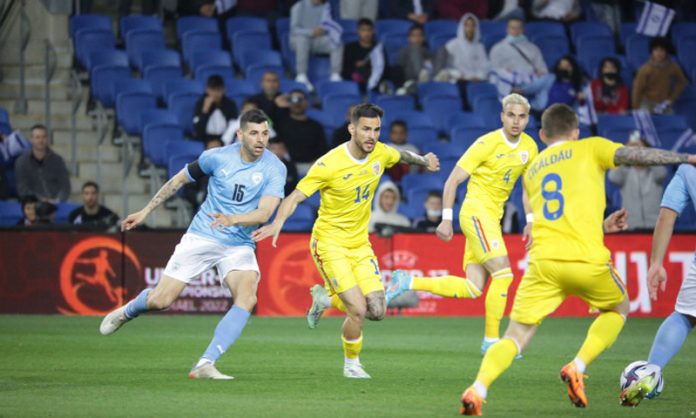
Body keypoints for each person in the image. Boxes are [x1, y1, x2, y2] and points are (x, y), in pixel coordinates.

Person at [458, 103, 696, 416]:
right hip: (586, 260)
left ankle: (478, 389)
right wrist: (685, 158)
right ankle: (578, 365)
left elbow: (557, 217)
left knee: (515, 336)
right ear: (576, 132)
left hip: (543, 264)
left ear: (543, 135)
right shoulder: (591, 147)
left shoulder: (533, 170)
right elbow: (636, 156)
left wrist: (602, 225)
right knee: (619, 308)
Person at [253, 103, 439, 378]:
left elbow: (402, 155)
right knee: (358, 310)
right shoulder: (329, 164)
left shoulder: (380, 152)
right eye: (365, 129)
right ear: (352, 128)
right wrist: (277, 221)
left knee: (377, 311)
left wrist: (423, 160)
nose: (371, 135)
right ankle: (352, 364)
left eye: (376, 129)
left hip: (360, 244)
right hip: (329, 243)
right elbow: (295, 197)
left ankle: (325, 299)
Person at [99, 109, 287, 380]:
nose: (260, 139)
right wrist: (146, 211)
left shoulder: (275, 167)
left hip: (239, 243)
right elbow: (178, 180)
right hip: (202, 236)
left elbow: (264, 213)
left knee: (247, 298)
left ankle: (205, 363)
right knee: (161, 300)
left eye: (265, 133)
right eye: (254, 133)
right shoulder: (216, 157)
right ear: (240, 134)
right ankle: (129, 310)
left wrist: (232, 219)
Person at [385, 93, 538, 355]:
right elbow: (452, 180)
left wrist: (531, 221)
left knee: (473, 287)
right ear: (502, 116)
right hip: (475, 213)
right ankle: (491, 341)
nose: (516, 121)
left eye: (522, 116)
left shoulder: (530, 147)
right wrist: (446, 219)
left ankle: (408, 282)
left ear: (527, 119)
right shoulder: (486, 143)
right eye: (511, 115)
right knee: (504, 275)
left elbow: (528, 189)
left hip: (493, 219)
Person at [620, 164, 696, 406]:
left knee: (685, 316)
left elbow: (666, 216)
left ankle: (649, 373)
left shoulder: (688, 169)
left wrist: (656, 263)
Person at [490, 18, 553, 112]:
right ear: (507, 29)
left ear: (523, 29)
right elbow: (494, 70)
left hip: (529, 81)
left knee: (551, 77)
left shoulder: (532, 48)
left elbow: (542, 67)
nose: (516, 31)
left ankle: (536, 106)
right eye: (513, 28)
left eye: (518, 28)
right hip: (511, 81)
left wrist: (541, 72)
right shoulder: (498, 48)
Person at [608, 133, 667, 231]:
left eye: (640, 149)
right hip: (631, 228)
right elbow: (612, 176)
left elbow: (662, 173)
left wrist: (646, 151)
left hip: (655, 227)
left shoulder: (655, 173)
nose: (637, 152)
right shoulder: (625, 174)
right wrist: (624, 151)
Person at [290, 0, 344, 90]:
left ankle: (335, 75)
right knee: (302, 40)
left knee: (337, 41)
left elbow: (327, 24)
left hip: (317, 39)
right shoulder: (298, 6)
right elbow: (294, 30)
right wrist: (311, 32)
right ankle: (301, 75)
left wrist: (324, 30)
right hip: (298, 39)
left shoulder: (325, 7)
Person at [14, 124, 70, 203]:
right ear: (31, 140)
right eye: (37, 137)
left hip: (56, 203)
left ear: (47, 139)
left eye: (44, 137)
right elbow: (22, 189)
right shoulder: (21, 162)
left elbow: (65, 186)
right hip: (33, 204)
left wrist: (58, 200)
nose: (41, 140)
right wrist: (42, 200)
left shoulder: (58, 160)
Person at [275, 89, 328, 172]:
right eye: (294, 99)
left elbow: (323, 149)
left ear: (307, 103)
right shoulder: (281, 123)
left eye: (300, 99)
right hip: (286, 165)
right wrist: (277, 104)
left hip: (311, 165)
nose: (297, 103)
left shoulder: (316, 126)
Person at [632, 37, 688, 114]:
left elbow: (682, 82)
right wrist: (635, 108)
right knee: (645, 119)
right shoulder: (645, 69)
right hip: (647, 103)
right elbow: (637, 89)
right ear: (652, 52)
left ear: (666, 52)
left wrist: (670, 100)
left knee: (672, 120)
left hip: (664, 104)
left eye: (662, 50)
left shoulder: (673, 67)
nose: (659, 53)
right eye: (656, 50)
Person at [434, 13, 489, 90]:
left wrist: (479, 76)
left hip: (477, 80)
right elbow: (445, 67)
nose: (470, 29)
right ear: (462, 27)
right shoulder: (452, 45)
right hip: (459, 80)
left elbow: (485, 66)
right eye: (467, 25)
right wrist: (457, 74)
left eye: (473, 25)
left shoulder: (480, 46)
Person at [193, 75, 239, 149]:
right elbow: (198, 131)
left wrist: (222, 142)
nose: (215, 93)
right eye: (212, 90)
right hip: (205, 140)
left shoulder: (230, 105)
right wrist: (205, 111)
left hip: (226, 139)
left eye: (218, 90)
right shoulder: (200, 104)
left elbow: (233, 127)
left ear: (223, 90)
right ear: (207, 90)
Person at [341, 18, 383, 93]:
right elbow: (345, 70)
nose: (366, 33)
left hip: (375, 81)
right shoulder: (350, 48)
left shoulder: (378, 48)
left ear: (373, 31)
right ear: (358, 31)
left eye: (369, 30)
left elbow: (383, 69)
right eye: (363, 30)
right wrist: (356, 66)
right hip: (355, 82)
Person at [393, 24, 433, 93]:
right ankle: (420, 75)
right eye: (414, 36)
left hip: (427, 79)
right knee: (415, 48)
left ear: (423, 38)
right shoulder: (404, 51)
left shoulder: (427, 52)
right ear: (409, 38)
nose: (417, 38)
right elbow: (398, 68)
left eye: (420, 36)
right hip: (409, 80)